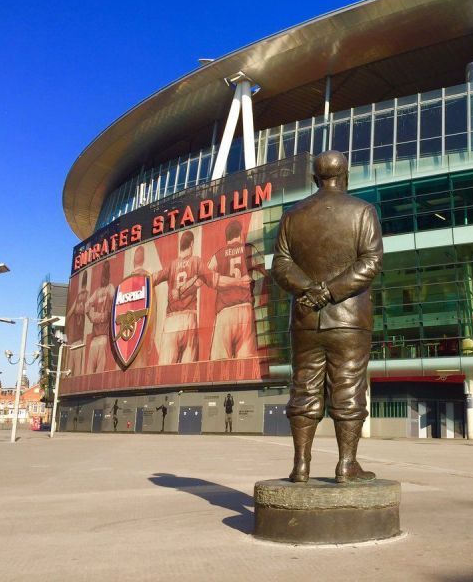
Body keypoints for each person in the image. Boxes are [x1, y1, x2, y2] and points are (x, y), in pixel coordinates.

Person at [272, 150, 383, 483]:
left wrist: (310, 289)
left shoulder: (293, 215)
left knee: (304, 389)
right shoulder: (363, 211)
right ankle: (346, 465)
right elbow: (371, 262)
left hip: (306, 319)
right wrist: (331, 291)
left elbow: (280, 264)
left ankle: (301, 465)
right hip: (348, 320)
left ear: (314, 178)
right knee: (348, 388)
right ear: (345, 175)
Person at [153, 231, 249, 365]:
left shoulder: (171, 266)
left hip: (171, 320)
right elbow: (214, 279)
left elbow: (153, 278)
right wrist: (239, 281)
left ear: (181, 246)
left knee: (164, 370)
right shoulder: (196, 262)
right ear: (192, 244)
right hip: (189, 319)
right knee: (189, 373)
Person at [207, 221, 267, 361]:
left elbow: (207, 277)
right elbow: (267, 269)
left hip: (225, 311)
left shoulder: (218, 255)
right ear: (241, 234)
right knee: (244, 363)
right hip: (245, 310)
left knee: (219, 367)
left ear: (226, 238)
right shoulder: (248, 249)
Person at [85, 262, 115, 374]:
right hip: (102, 337)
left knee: (90, 372)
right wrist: (103, 316)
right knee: (98, 372)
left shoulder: (98, 292)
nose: (103, 279)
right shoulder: (109, 289)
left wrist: (94, 317)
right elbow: (115, 301)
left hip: (98, 337)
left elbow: (86, 307)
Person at [66, 270, 88, 376]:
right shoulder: (84, 296)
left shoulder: (80, 297)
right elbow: (71, 313)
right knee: (76, 370)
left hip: (76, 340)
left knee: (70, 372)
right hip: (77, 340)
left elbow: (69, 314)